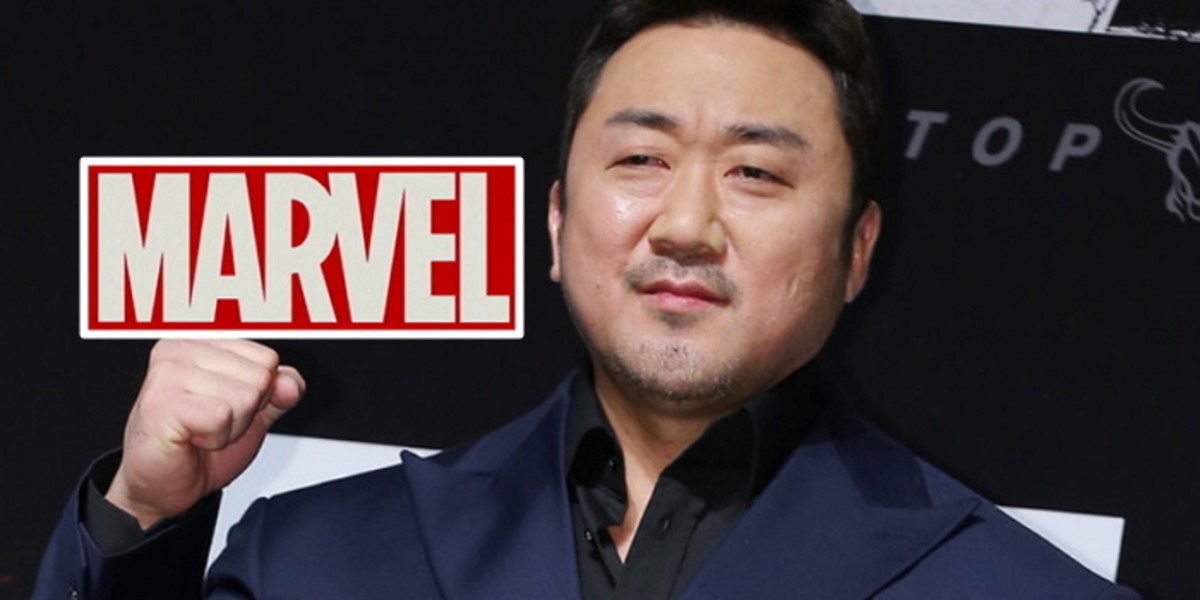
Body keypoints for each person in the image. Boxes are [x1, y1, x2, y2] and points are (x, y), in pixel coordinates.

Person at [35, 0, 1141, 598]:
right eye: (641, 159)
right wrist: (142, 520)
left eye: (757, 172)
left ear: (858, 251)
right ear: (558, 223)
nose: (687, 223)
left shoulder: (1011, 588)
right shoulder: (314, 558)